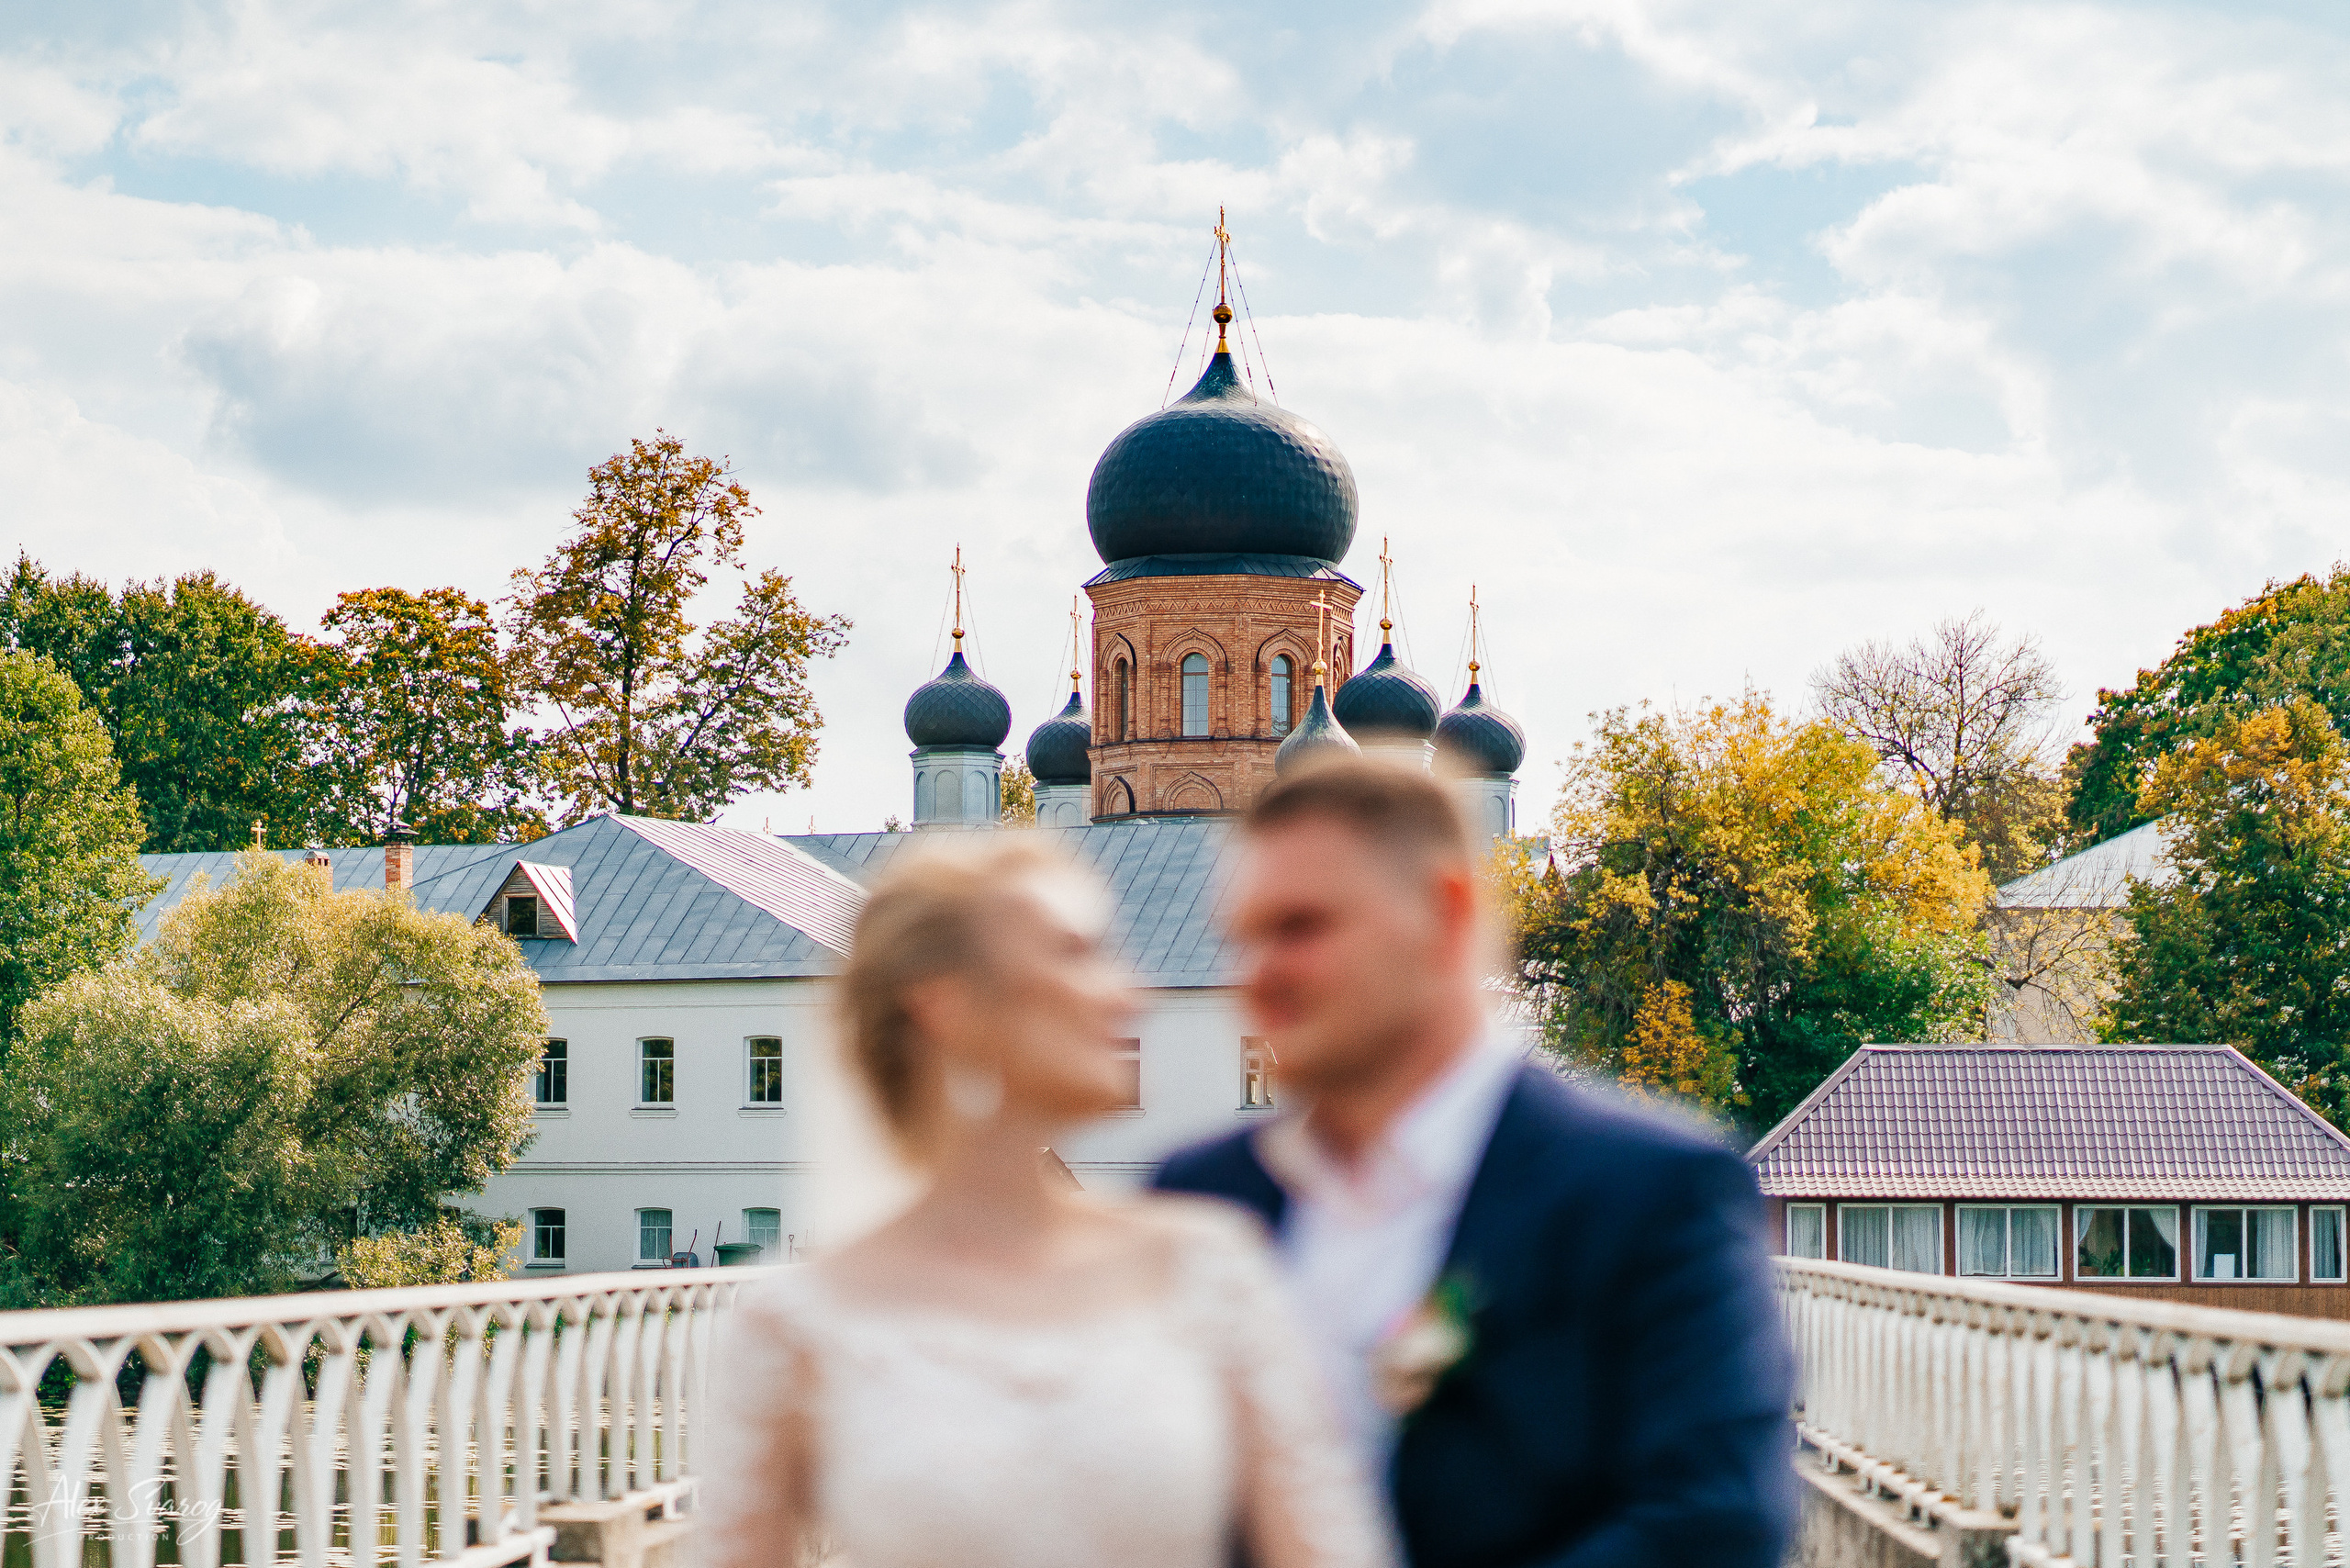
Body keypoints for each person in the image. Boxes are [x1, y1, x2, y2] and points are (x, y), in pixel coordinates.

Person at [1155, 757, 1796, 1568]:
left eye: (1301, 928)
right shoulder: (1197, 1197)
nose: (1259, 975)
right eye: (1244, 938)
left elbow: (1716, 1521)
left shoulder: (1652, 1192)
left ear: (1444, 914)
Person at [699, 836, 1397, 1568]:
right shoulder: (801, 1322)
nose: (1127, 994)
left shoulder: (1207, 1267)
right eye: (1074, 953)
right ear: (947, 1003)